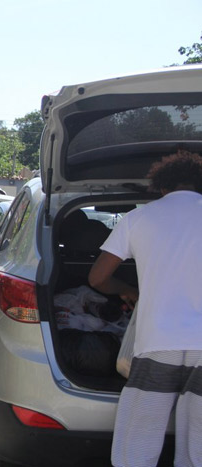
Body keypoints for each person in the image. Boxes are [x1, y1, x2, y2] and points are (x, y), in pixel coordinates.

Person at [88, 150, 202, 467]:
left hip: (158, 343)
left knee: (138, 440)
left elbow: (97, 278)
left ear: (161, 186)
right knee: (199, 444)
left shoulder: (139, 218)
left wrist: (127, 290)